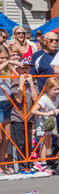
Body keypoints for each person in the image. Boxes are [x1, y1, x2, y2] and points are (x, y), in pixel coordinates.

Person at [8, 58, 38, 174]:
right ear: (18, 69)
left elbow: (35, 99)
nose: (25, 70)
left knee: (27, 144)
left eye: (27, 68)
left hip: (29, 118)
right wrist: (21, 83)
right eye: (23, 68)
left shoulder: (33, 82)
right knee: (18, 144)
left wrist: (30, 83)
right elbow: (19, 99)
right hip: (17, 117)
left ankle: (27, 164)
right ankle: (18, 167)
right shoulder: (14, 82)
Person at [31, 77, 59, 173]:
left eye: (58, 89)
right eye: (54, 89)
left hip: (50, 123)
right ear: (48, 89)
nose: (57, 91)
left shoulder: (57, 96)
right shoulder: (44, 99)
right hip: (42, 123)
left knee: (48, 143)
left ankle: (41, 162)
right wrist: (47, 113)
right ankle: (43, 164)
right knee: (43, 144)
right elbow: (33, 110)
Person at [0, 45, 18, 175]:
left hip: (7, 104)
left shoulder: (7, 69)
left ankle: (2, 164)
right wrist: (8, 62)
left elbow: (17, 77)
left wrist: (11, 65)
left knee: (7, 138)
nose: (4, 60)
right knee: (0, 138)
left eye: (6, 57)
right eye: (1, 58)